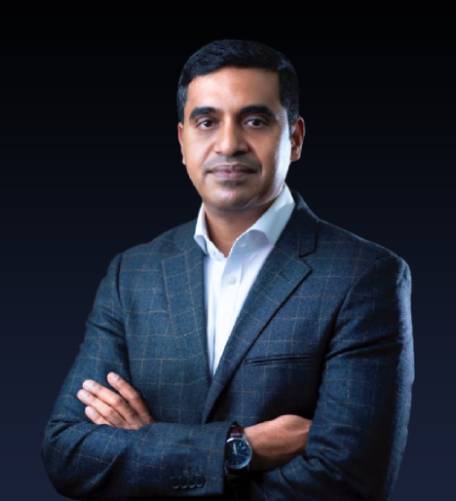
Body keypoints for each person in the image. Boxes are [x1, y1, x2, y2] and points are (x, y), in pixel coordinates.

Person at [41, 39, 415, 500]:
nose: (229, 144)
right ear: (183, 141)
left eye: (255, 121)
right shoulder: (131, 274)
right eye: (207, 122)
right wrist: (238, 448)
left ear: (295, 138)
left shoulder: (365, 276)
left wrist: (150, 453)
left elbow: (349, 481)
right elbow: (68, 452)